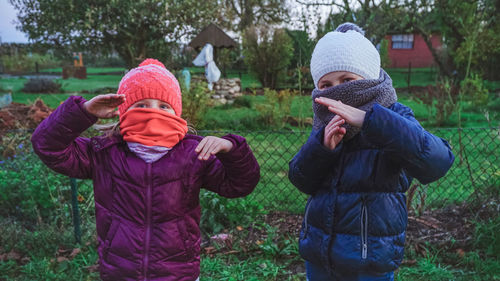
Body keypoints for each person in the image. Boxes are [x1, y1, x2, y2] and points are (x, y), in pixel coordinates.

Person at [31, 59, 260, 281]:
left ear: (176, 111)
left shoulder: (194, 154)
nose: (153, 113)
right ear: (123, 110)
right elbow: (47, 145)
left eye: (163, 106)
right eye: (141, 105)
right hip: (120, 272)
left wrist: (232, 148)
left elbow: (241, 184)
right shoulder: (103, 152)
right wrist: (84, 112)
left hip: (178, 273)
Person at [288, 23, 455, 281]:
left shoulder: (395, 115)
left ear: (369, 77)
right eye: (326, 84)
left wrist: (371, 121)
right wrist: (321, 149)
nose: (338, 91)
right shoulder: (325, 123)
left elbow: (437, 162)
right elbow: (301, 179)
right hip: (320, 257)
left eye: (347, 81)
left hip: (369, 262)